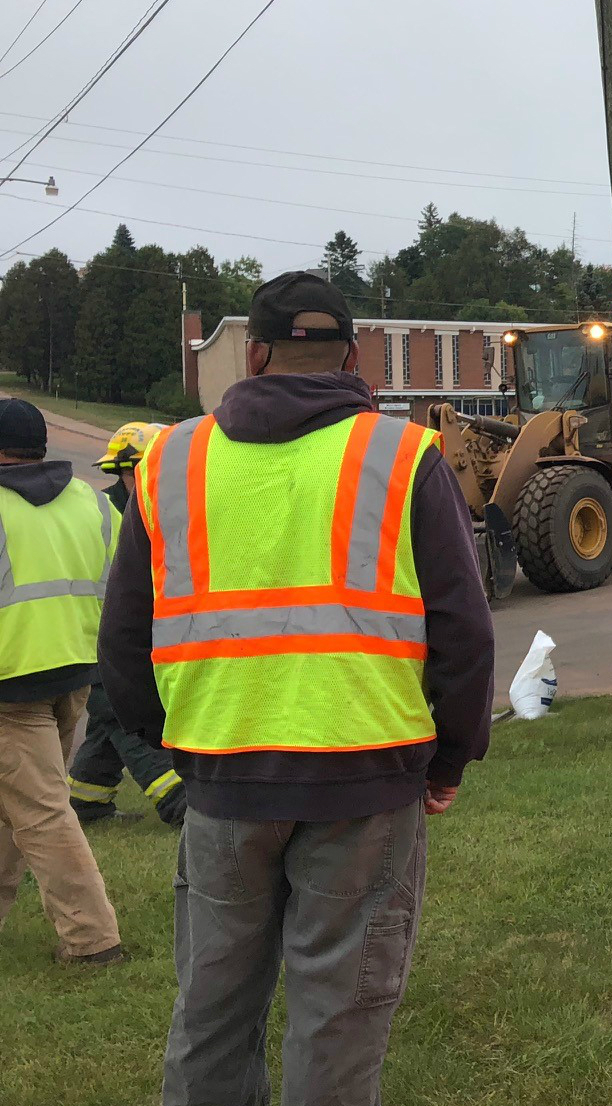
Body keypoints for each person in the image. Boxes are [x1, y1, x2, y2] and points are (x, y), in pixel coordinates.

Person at [98, 272, 496, 1104]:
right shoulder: (401, 456)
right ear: (354, 358)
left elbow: (125, 640)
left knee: (211, 1012)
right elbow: (463, 628)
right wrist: (449, 757)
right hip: (365, 778)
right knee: (339, 1019)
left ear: (255, 354)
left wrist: (177, 743)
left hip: (224, 775)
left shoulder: (171, 460)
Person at [0, 398, 125, 966]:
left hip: (10, 682)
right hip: (76, 670)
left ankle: (92, 939)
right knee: (19, 799)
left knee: (42, 807)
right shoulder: (91, 505)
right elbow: (130, 584)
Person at [68, 422, 185, 827]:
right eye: (132, 471)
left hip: (129, 638)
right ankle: (176, 798)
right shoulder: (109, 512)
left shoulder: (164, 508)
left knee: (106, 720)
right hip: (97, 639)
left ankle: (86, 798)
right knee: (124, 717)